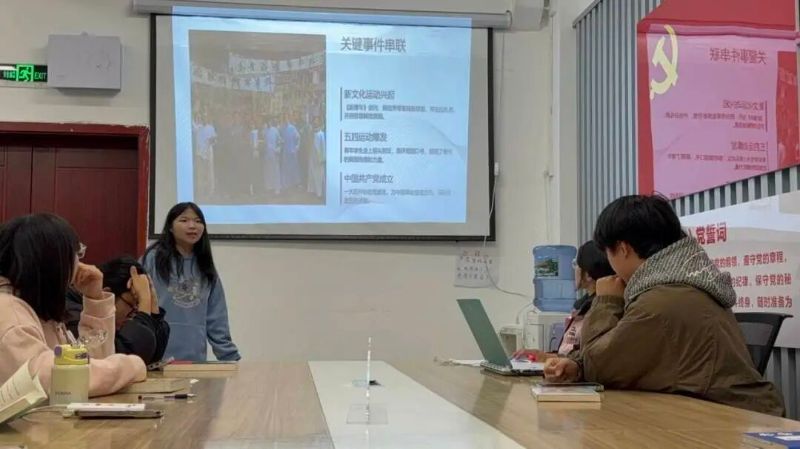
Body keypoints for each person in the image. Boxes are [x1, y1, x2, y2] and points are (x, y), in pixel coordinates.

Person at [544, 195, 784, 416]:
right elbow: (616, 357)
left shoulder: (660, 301)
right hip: (720, 413)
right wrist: (577, 365)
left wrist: (607, 301)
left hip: (730, 421)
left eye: (609, 252)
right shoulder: (681, 283)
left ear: (623, 249)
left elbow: (600, 364)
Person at [0, 214, 145, 395]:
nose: (80, 263)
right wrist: (131, 365)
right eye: (77, 254)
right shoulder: (9, 312)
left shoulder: (33, 304)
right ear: (55, 262)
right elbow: (59, 379)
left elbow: (88, 364)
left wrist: (95, 300)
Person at [143, 202, 241, 362]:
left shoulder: (205, 266)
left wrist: (231, 358)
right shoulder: (152, 259)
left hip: (194, 359)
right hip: (155, 358)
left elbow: (217, 318)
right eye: (184, 220)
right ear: (170, 227)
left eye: (198, 221)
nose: (192, 226)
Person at [513, 241, 615, 361]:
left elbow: (583, 359)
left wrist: (546, 357)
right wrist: (541, 355)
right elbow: (568, 353)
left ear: (587, 275)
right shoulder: (582, 307)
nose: (573, 270)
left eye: (575, 264)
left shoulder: (599, 310)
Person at [65, 256, 170, 366]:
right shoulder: (72, 313)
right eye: (132, 305)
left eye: (139, 308)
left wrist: (152, 303)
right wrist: (144, 304)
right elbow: (121, 357)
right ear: (107, 294)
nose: (135, 315)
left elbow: (152, 356)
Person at [280, 113, 301, 192]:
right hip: (285, 151)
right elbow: (280, 138)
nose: (286, 120)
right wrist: (281, 142)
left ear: (288, 119)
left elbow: (298, 137)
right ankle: (286, 184)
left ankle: (296, 183)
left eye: (287, 118)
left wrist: (297, 147)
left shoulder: (292, 128)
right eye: (284, 118)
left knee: (294, 167)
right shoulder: (282, 128)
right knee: (285, 167)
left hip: (292, 150)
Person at [262, 116, 282, 197]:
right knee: (268, 171)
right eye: (268, 121)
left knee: (275, 171)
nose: (269, 123)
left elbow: (280, 141)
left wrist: (278, 148)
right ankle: (269, 187)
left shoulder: (275, 130)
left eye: (270, 121)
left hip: (274, 153)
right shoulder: (264, 130)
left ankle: (277, 188)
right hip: (267, 154)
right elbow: (263, 141)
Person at [308, 118, 325, 198]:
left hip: (319, 157)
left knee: (319, 175)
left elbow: (323, 147)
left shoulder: (321, 134)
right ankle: (312, 190)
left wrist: (322, 158)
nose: (315, 123)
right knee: (312, 174)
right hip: (312, 156)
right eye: (314, 122)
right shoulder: (312, 133)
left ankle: (319, 193)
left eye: (317, 122)